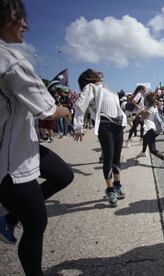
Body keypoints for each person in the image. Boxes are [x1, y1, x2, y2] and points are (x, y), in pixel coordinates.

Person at [0, 1, 74, 274]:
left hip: (23, 146)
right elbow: (49, 110)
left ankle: (9, 216)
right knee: (36, 225)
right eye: (19, 17)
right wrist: (67, 110)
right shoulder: (13, 62)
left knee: (64, 174)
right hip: (11, 164)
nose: (26, 25)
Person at [72, 69, 127, 207]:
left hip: (117, 125)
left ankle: (117, 185)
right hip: (104, 124)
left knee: (117, 156)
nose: (99, 74)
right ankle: (109, 190)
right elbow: (80, 105)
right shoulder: (90, 87)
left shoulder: (107, 89)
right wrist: (78, 127)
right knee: (108, 157)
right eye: (95, 73)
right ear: (89, 78)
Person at [136, 93, 164, 167]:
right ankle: (143, 152)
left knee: (152, 149)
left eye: (145, 101)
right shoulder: (154, 107)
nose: (144, 102)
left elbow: (141, 119)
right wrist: (142, 111)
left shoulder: (149, 110)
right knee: (145, 137)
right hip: (156, 128)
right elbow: (148, 110)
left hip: (153, 130)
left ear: (148, 102)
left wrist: (139, 115)